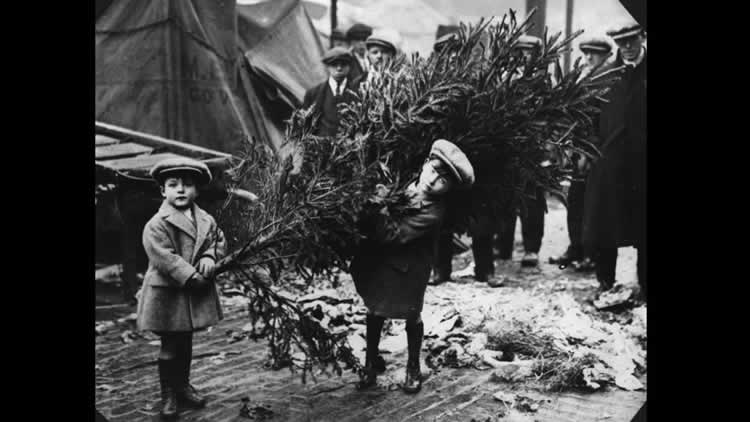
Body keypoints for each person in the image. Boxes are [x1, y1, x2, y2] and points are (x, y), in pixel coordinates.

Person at [352, 139, 474, 393]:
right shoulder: (406, 182)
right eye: (433, 169)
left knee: (411, 313)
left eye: (443, 180)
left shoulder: (433, 212)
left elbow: (393, 235)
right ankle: (371, 362)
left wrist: (379, 203)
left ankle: (412, 366)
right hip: (383, 259)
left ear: (449, 189)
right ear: (425, 163)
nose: (433, 179)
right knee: (375, 309)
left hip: (410, 266)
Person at [136, 157, 227, 419]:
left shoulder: (206, 219)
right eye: (173, 184)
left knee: (185, 342)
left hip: (191, 294)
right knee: (169, 346)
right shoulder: (158, 223)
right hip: (168, 293)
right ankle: (168, 393)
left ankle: (183, 385)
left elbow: (218, 240)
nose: (180, 189)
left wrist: (211, 256)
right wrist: (189, 274)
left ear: (197, 190)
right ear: (163, 190)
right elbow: (163, 256)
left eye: (187, 184)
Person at [582, 19, 647, 298]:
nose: (627, 47)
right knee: (604, 225)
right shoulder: (605, 76)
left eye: (632, 40)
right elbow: (589, 118)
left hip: (643, 164)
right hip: (610, 162)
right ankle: (604, 282)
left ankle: (645, 286)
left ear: (643, 36)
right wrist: (589, 150)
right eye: (621, 43)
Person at [549, 36, 613, 271]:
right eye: (585, 54)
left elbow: (603, 122)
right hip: (579, 151)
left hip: (597, 153)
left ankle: (591, 253)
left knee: (593, 205)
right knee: (575, 202)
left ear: (606, 56)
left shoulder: (608, 81)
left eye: (593, 54)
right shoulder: (583, 80)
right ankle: (576, 247)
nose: (588, 58)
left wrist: (589, 151)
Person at [494, 34, 548, 268]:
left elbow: (549, 116)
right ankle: (504, 245)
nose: (524, 57)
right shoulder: (505, 79)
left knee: (532, 199)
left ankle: (531, 248)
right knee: (506, 197)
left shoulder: (543, 81)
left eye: (529, 53)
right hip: (508, 147)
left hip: (533, 148)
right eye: (520, 52)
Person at [302, 47, 359, 137]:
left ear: (349, 66)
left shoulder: (359, 93)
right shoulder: (313, 94)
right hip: (320, 147)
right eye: (334, 64)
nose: (339, 68)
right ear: (327, 66)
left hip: (350, 147)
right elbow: (305, 126)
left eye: (343, 64)